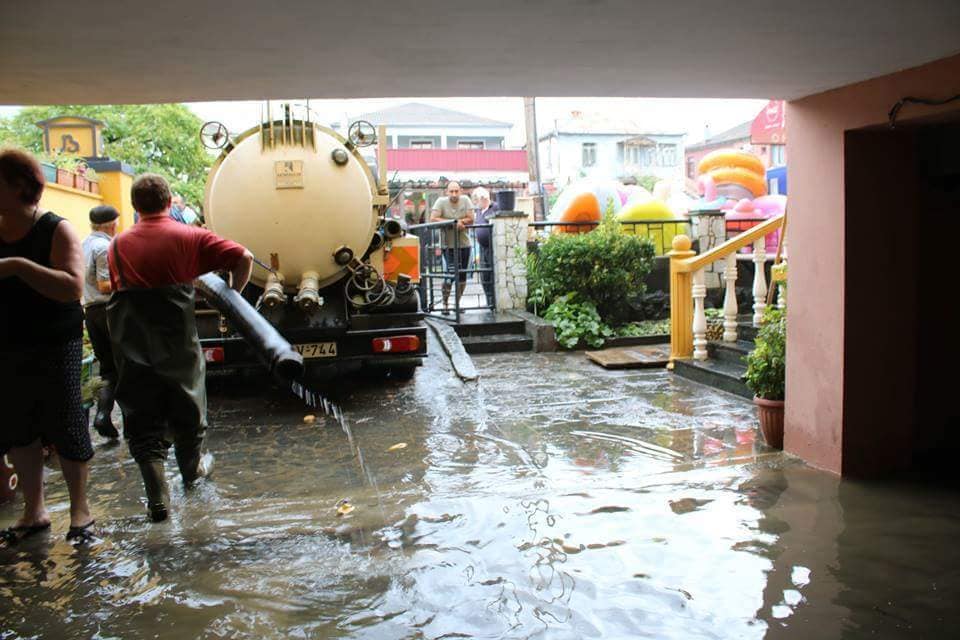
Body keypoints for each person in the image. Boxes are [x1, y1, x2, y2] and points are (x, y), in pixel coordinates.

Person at [107, 173, 253, 522]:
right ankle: (192, 475)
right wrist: (235, 294)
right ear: (169, 201)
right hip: (176, 338)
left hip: (131, 339)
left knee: (141, 415)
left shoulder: (118, 244)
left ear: (134, 206)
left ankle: (158, 498)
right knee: (188, 407)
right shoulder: (189, 235)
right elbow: (243, 256)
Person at [0, 148, 95, 544]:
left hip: (56, 342)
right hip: (7, 343)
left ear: (21, 186)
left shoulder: (56, 229)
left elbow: (72, 287)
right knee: (18, 427)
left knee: (66, 421)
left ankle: (80, 513)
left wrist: (19, 267)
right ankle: (34, 511)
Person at [82, 205, 121, 440]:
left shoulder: (83, 244)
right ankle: (114, 417)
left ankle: (103, 414)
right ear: (110, 224)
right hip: (108, 310)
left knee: (108, 368)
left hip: (91, 311)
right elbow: (105, 285)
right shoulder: (103, 247)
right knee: (125, 365)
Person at [430, 181, 473, 310]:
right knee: (448, 277)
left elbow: (471, 218)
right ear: (446, 192)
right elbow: (433, 218)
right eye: (451, 191)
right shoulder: (441, 201)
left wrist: (461, 222)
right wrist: (454, 223)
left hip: (464, 245)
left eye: (456, 191)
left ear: (461, 191)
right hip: (447, 246)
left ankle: (457, 304)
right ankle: (445, 304)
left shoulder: (465, 200)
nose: (454, 194)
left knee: (462, 277)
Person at [471, 187, 499, 307]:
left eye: (477, 200)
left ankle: (493, 302)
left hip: (493, 247)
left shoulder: (495, 208)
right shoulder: (478, 211)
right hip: (482, 247)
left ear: (484, 198)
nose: (476, 203)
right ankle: (489, 301)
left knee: (492, 275)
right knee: (484, 276)